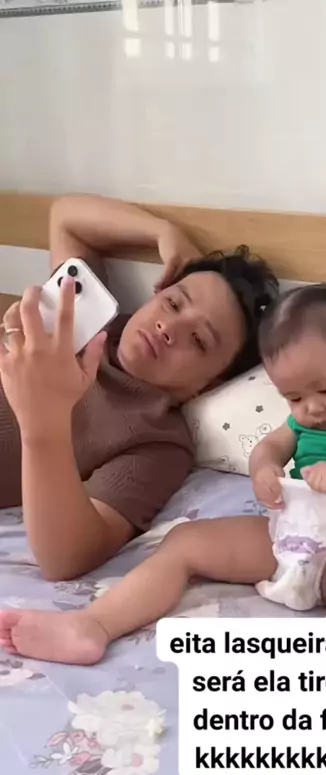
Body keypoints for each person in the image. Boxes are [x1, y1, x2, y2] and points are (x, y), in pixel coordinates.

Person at [0, 263, 326, 665]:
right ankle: (94, 624)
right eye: (294, 397)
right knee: (185, 542)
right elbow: (270, 447)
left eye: (324, 389)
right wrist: (263, 471)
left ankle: (312, 661)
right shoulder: (302, 421)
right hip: (288, 536)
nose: (311, 408)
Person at [0, 194, 279, 582]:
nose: (169, 328)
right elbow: (67, 218)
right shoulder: (91, 319)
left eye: (199, 340)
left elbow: (68, 556)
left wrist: (41, 424)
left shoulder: (158, 441)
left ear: (207, 386)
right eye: (174, 303)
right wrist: (164, 232)